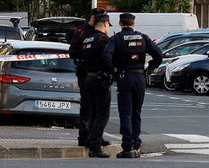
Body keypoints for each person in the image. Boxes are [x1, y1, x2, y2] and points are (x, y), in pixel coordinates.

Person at [102, 12, 163, 159]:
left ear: (121, 24)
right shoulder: (142, 37)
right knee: (136, 112)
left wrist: (113, 70)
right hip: (139, 76)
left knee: (125, 113)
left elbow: (105, 56)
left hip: (125, 76)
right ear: (133, 24)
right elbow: (158, 55)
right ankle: (136, 144)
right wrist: (149, 68)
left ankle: (127, 145)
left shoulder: (116, 38)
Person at [68, 8, 107, 147]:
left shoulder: (100, 33)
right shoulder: (81, 31)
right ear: (92, 18)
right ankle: (84, 137)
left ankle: (97, 136)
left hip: (98, 72)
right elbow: (72, 52)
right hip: (85, 72)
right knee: (87, 106)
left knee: (99, 107)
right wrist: (87, 54)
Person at [79, 13, 114, 158]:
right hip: (101, 79)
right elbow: (108, 57)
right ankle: (95, 146)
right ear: (105, 24)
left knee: (92, 112)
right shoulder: (103, 39)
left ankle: (91, 140)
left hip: (88, 77)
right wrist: (113, 70)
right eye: (108, 26)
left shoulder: (87, 39)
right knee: (102, 114)